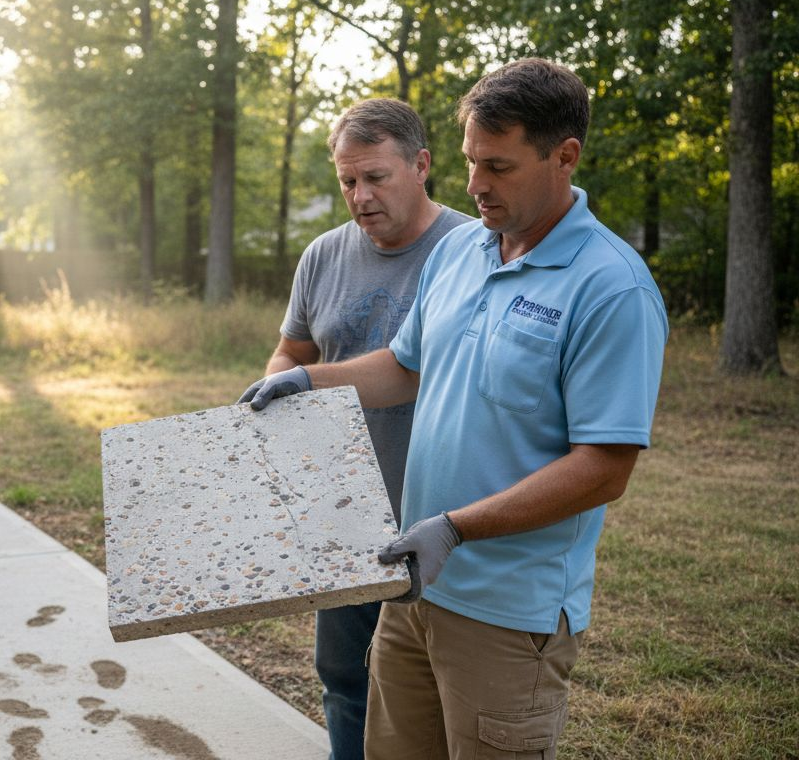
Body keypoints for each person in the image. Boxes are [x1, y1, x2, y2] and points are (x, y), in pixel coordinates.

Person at [242, 58, 668, 758]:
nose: (474, 186)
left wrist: (456, 530)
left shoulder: (611, 287)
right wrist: (308, 382)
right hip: (411, 590)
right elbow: (404, 368)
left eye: (498, 167)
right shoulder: (463, 251)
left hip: (507, 613)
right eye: (471, 162)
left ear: (565, 157)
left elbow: (604, 467)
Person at [239, 98, 471, 760]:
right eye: (347, 181)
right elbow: (293, 352)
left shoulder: (467, 251)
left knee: (434, 697)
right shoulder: (323, 255)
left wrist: (311, 379)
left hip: (437, 515)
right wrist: (280, 383)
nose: (359, 196)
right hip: (338, 511)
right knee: (345, 680)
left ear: (421, 165)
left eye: (376, 177)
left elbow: (436, 374)